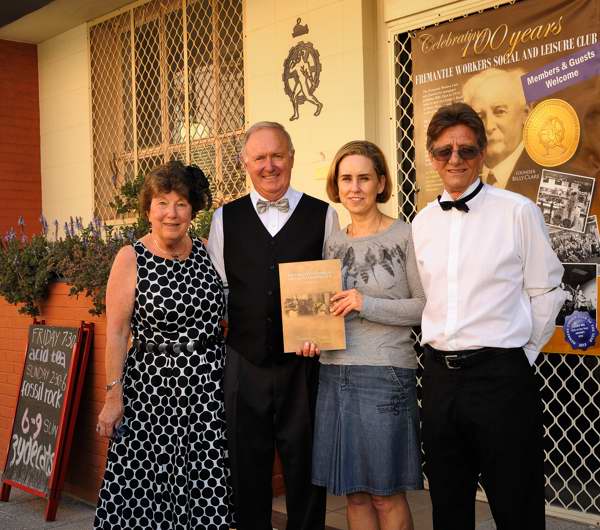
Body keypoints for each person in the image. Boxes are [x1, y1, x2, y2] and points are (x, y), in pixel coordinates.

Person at [411, 102, 566, 530]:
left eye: (466, 150)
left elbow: (546, 291)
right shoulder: (422, 223)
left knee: (517, 504)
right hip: (439, 379)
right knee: (448, 504)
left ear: (482, 154)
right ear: (431, 156)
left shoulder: (518, 212)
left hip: (501, 378)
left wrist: (521, 355)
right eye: (444, 151)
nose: (455, 159)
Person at [207, 121, 339, 530]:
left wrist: (321, 333)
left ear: (292, 158)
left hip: (304, 364)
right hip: (244, 362)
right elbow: (220, 287)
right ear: (245, 163)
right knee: (246, 468)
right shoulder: (224, 218)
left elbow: (334, 284)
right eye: (260, 157)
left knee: (306, 469)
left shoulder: (324, 214)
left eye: (277, 155)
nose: (269, 165)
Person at [94, 161, 233, 530]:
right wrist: (113, 395)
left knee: (204, 481)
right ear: (148, 210)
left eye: (181, 204)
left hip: (207, 390)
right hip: (151, 392)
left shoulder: (207, 251)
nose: (172, 213)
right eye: (162, 203)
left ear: (193, 211)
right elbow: (117, 332)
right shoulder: (131, 258)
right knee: (147, 488)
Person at [307, 141, 424, 530]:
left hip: (384, 373)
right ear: (336, 186)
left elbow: (424, 307)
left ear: (381, 183)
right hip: (333, 372)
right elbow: (326, 308)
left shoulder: (405, 234)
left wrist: (365, 303)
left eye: (364, 178)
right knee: (354, 493)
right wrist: (311, 334)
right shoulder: (333, 241)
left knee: (385, 494)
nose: (354, 187)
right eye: (346, 179)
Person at [462, 68, 538, 196]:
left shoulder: (552, 176)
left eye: (500, 111)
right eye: (479, 116)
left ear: (525, 114)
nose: (489, 127)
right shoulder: (462, 181)